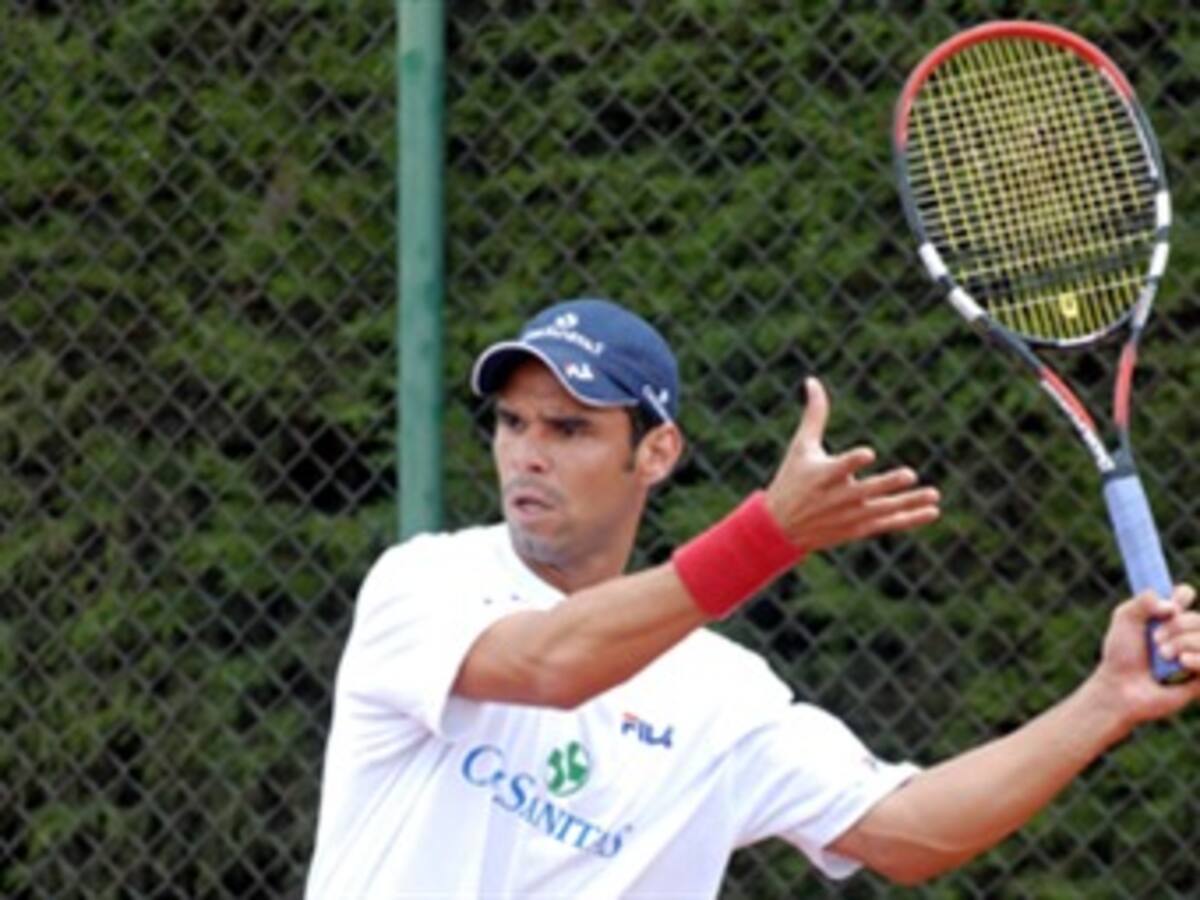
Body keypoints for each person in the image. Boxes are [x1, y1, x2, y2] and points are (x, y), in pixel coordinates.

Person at [305, 298, 1200, 898]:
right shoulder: (424, 584)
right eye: (512, 422)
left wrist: (1106, 701)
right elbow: (552, 664)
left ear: (656, 453)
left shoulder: (721, 697)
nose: (528, 453)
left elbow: (906, 833)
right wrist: (766, 536)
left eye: (570, 428)